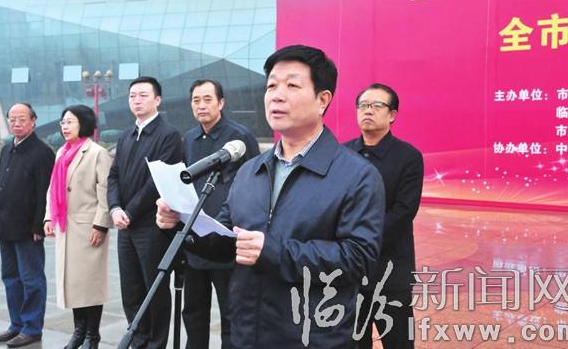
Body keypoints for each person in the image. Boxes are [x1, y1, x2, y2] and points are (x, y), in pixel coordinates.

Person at [157, 45, 385, 348]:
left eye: (292, 86)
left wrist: (273, 251)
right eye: (271, 86)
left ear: (322, 100)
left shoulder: (357, 175)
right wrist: (181, 221)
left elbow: (359, 259)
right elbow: (225, 241)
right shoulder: (250, 171)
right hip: (246, 334)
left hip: (313, 338)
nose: (276, 95)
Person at [345, 83, 424, 349]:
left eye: (377, 105)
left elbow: (404, 211)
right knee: (354, 342)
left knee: (398, 341)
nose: (368, 111)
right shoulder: (342, 154)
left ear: (392, 115)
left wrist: (360, 240)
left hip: (391, 270)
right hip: (350, 270)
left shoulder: (408, 157)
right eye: (363, 105)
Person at [182, 79, 260, 349]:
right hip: (195, 238)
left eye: (207, 99)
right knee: (193, 311)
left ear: (221, 103)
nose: (201, 105)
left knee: (231, 313)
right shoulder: (189, 138)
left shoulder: (239, 138)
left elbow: (254, 185)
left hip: (227, 240)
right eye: (196, 100)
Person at [107, 76, 183, 349]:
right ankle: (137, 340)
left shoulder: (168, 135)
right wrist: (115, 208)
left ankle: (156, 343)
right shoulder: (125, 136)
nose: (136, 101)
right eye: (132, 96)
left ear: (157, 100)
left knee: (155, 288)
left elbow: (156, 184)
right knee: (131, 288)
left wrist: (129, 211)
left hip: (152, 225)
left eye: (143, 95)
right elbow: (114, 176)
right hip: (125, 225)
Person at [44, 105, 113, 349]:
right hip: (66, 227)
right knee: (73, 284)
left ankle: (92, 336)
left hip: (88, 229)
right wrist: (48, 218)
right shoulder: (61, 152)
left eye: (70, 122)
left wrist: (101, 225)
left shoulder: (96, 153)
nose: (65, 127)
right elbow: (52, 188)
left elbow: (105, 192)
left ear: (83, 123)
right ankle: (79, 331)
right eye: (63, 122)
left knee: (90, 285)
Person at [0, 103, 55, 347]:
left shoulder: (42, 152)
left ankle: (32, 327)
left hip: (28, 229)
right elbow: (2, 187)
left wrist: (39, 225)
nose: (16, 124)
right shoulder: (7, 148)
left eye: (22, 119)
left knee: (31, 279)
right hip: (6, 225)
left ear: (33, 121)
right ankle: (16, 324)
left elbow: (44, 192)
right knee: (10, 277)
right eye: (12, 119)